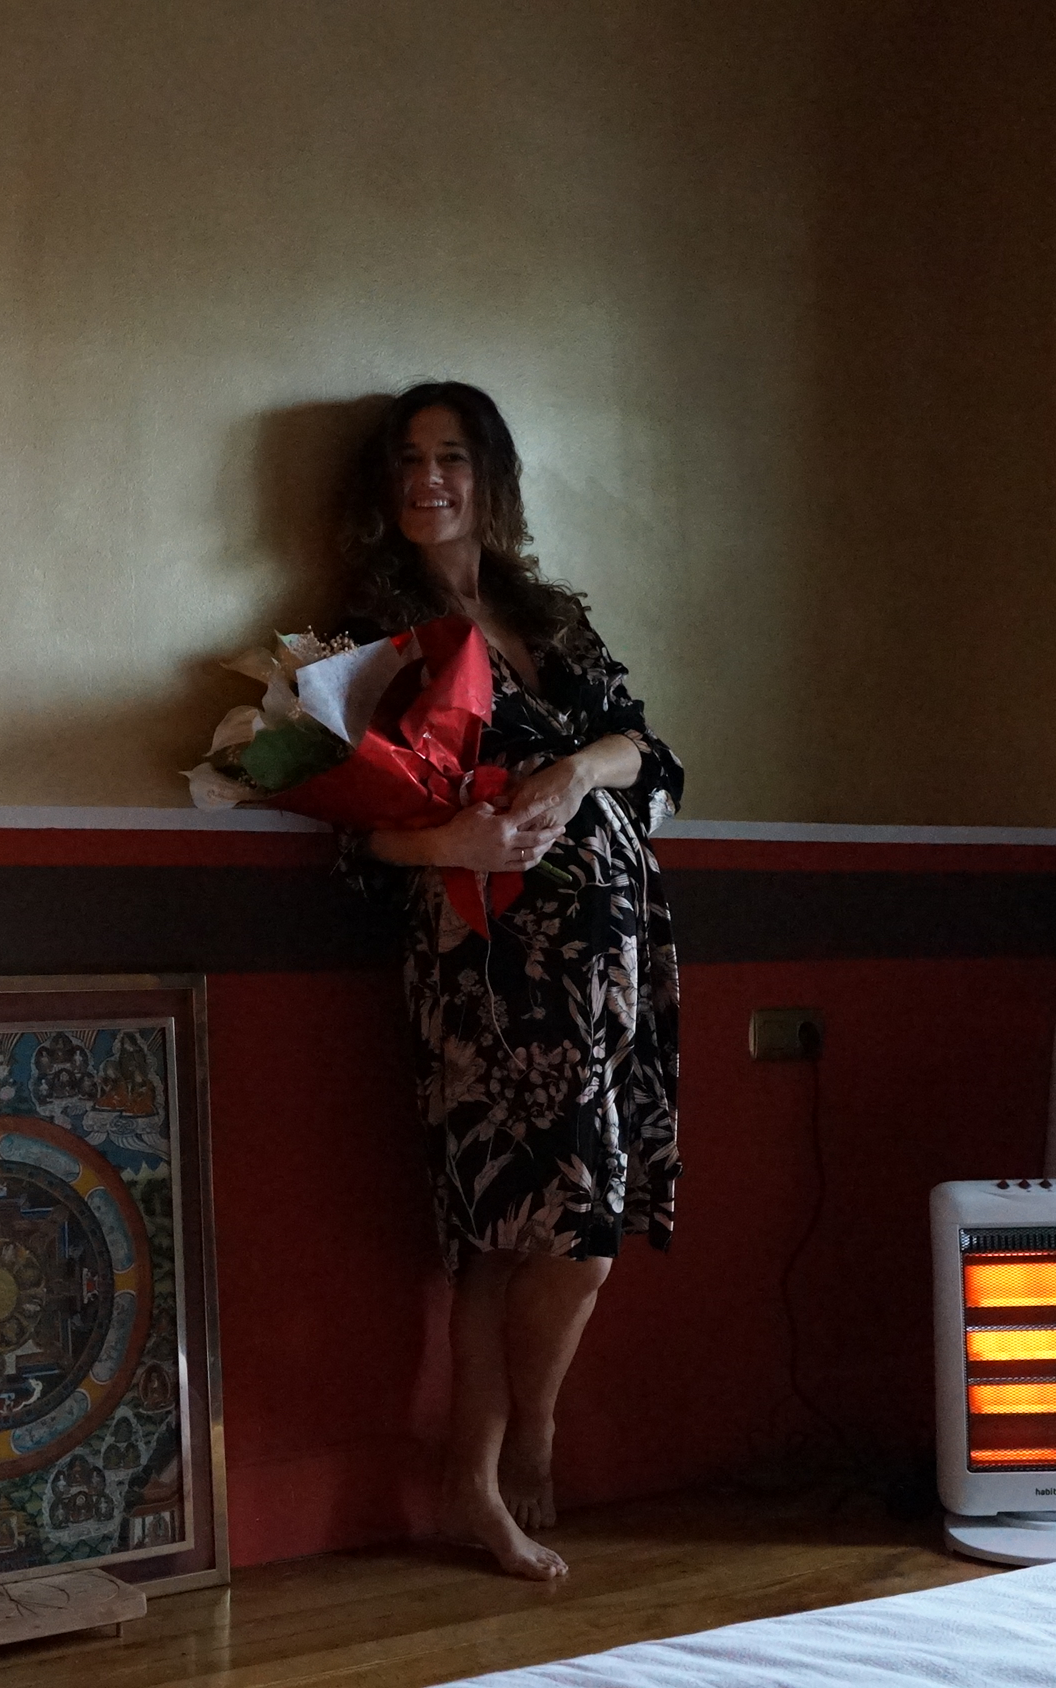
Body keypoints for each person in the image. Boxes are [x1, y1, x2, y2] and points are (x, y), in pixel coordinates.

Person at [336, 381, 683, 1581]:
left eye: (451, 456)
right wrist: (450, 841)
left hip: (610, 966)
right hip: (488, 969)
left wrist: (580, 766)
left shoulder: (548, 615)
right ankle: (512, 1447)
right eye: (408, 459)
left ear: (489, 477)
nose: (427, 478)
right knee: (534, 1231)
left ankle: (478, 1467)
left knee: (552, 1228)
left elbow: (653, 756)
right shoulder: (374, 634)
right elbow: (350, 837)